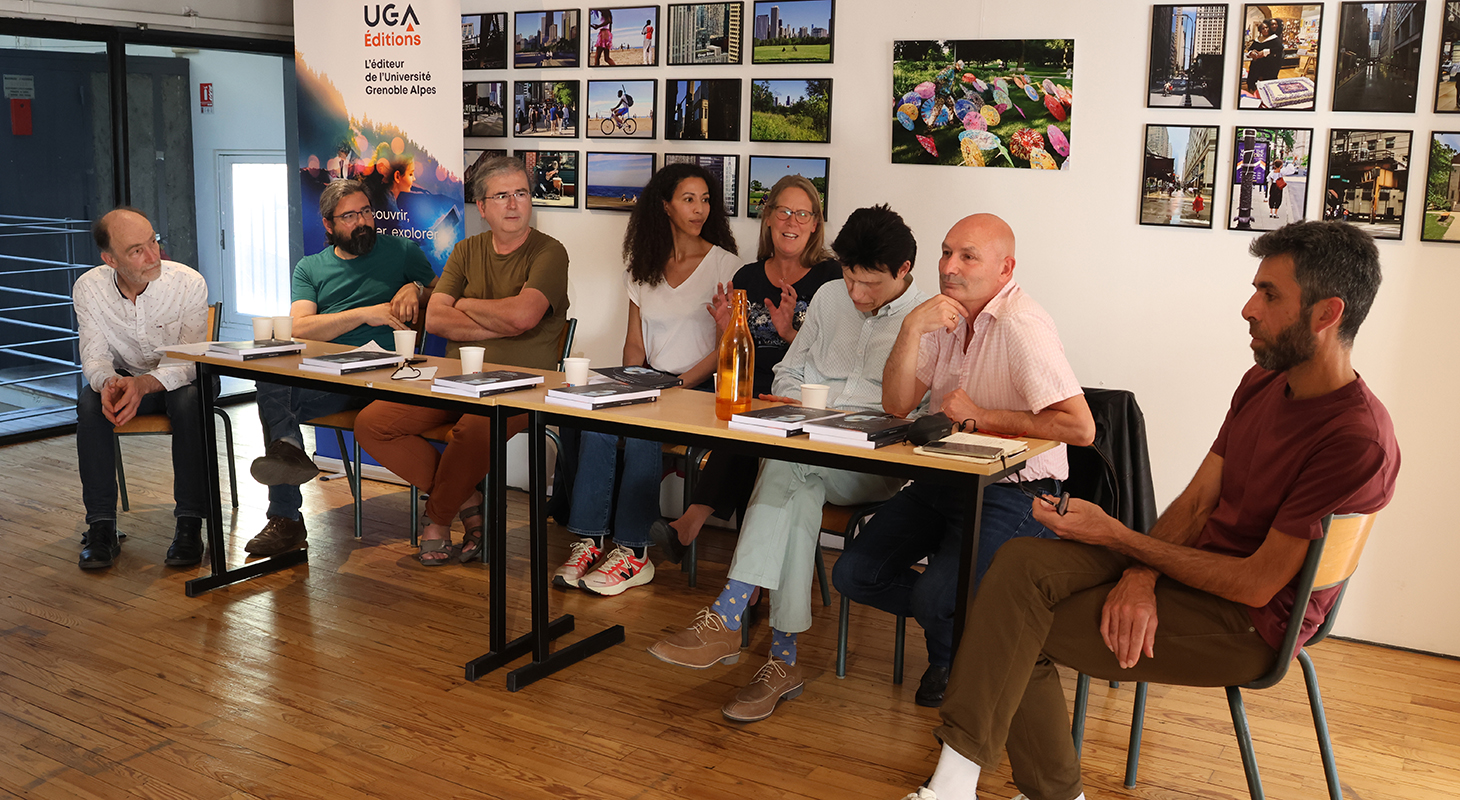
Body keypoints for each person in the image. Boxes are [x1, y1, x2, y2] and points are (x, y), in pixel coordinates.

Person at [898, 221, 1399, 800]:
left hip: (1251, 625)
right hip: (1192, 570)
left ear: (1326, 314)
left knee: (1013, 627)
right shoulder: (1261, 384)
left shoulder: (1355, 439)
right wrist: (1140, 572)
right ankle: (964, 785)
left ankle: (989, 789)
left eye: (1269, 294)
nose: (1247, 308)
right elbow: (1196, 503)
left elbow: (1257, 584)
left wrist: (1121, 539)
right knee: (1017, 567)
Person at [648, 204, 930, 723]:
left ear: (903, 271)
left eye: (869, 284)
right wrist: (804, 403)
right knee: (793, 483)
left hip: (874, 466)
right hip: (807, 452)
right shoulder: (827, 297)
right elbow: (785, 373)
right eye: (849, 278)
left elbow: (925, 416)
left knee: (784, 468)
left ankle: (730, 614)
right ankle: (781, 660)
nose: (856, 294)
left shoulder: (927, 320)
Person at [832, 213, 1095, 709]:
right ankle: (975, 627)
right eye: (946, 252)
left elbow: (1080, 428)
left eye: (967, 256)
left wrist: (980, 416)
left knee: (937, 597)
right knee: (854, 575)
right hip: (944, 481)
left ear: (1005, 268)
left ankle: (951, 654)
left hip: (1017, 492)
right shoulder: (941, 316)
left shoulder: (1022, 325)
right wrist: (911, 326)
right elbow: (896, 404)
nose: (949, 266)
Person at [355, 157, 568, 564]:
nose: (513, 204)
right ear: (482, 207)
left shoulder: (550, 252)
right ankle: (470, 499)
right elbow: (435, 318)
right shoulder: (467, 250)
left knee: (473, 429)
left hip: (526, 387)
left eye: (521, 194)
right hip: (458, 381)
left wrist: (465, 306)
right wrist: (502, 320)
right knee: (373, 423)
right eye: (501, 196)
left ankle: (437, 520)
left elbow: (524, 316)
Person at [552, 162, 739, 596]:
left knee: (640, 432)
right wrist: (626, 384)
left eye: (705, 200)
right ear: (665, 206)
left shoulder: (725, 266)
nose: (699, 210)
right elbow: (634, 345)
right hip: (650, 380)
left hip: (697, 388)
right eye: (688, 200)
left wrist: (675, 386)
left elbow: (724, 350)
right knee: (597, 421)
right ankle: (590, 540)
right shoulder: (642, 268)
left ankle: (635, 553)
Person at [650, 174, 843, 563]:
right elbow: (736, 353)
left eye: (802, 214)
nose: (792, 222)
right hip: (748, 395)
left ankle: (692, 524)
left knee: (751, 431)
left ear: (815, 224)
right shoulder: (748, 277)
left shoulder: (832, 280)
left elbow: (837, 359)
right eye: (783, 211)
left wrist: (791, 334)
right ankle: (751, 579)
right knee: (746, 423)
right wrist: (726, 331)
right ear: (768, 218)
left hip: (800, 399)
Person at [244, 179, 437, 558]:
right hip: (327, 377)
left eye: (366, 211)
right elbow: (298, 327)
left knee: (275, 404)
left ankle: (285, 513)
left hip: (381, 375)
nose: (362, 221)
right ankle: (289, 456)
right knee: (271, 380)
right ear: (329, 225)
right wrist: (367, 313)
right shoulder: (311, 268)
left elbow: (444, 290)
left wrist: (416, 286)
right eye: (350, 216)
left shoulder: (399, 251)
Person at [72, 207, 211, 569]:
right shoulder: (89, 288)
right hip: (129, 379)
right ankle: (101, 526)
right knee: (90, 403)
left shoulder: (188, 283)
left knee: (188, 400)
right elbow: (95, 356)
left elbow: (191, 360)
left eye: (154, 241)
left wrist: (143, 384)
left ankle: (190, 524)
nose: (154, 256)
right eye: (137, 250)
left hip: (186, 380)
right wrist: (109, 383)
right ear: (110, 260)